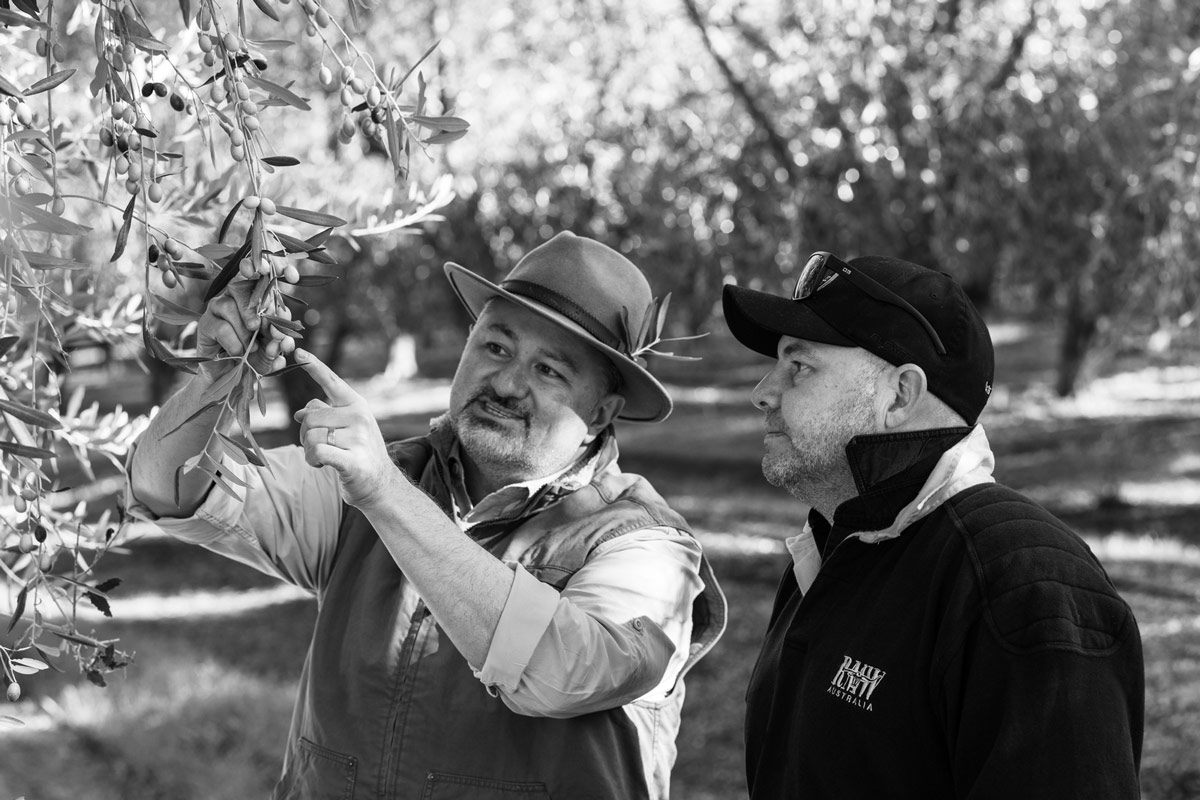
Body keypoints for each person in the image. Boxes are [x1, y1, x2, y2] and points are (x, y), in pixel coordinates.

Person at [125, 231, 726, 799]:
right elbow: (167, 488)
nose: (509, 382)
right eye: (495, 346)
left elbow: (562, 669)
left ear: (600, 414)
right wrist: (221, 377)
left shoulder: (643, 545)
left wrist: (386, 494)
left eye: (549, 370)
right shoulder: (367, 483)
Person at [722, 251, 1143, 798]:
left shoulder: (1023, 584)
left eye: (799, 366)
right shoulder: (832, 547)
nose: (763, 392)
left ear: (901, 395)